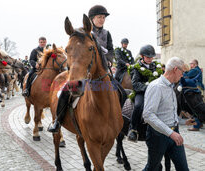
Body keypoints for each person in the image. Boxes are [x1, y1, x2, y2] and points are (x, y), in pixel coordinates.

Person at [47, 5, 127, 133]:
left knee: (121, 92)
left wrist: (109, 61)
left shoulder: (107, 33)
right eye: (99, 17)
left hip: (102, 69)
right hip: (83, 69)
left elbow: (111, 50)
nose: (102, 19)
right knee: (66, 92)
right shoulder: (83, 32)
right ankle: (58, 120)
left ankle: (118, 120)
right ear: (91, 19)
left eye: (103, 17)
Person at [143, 57, 190, 171]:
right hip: (158, 137)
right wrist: (171, 133)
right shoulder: (156, 87)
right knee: (152, 168)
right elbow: (148, 115)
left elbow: (168, 113)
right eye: (182, 72)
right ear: (175, 69)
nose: (182, 75)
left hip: (174, 134)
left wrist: (183, 122)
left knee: (183, 168)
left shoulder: (171, 86)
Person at [127, 44, 163, 142]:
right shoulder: (136, 68)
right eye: (148, 57)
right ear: (142, 56)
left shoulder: (156, 66)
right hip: (141, 92)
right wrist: (149, 88)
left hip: (155, 92)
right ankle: (132, 129)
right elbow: (135, 84)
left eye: (151, 57)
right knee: (138, 106)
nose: (150, 59)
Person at [178, 60, 205, 131]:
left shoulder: (195, 70)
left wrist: (184, 72)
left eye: (191, 64)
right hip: (195, 90)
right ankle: (199, 123)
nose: (190, 65)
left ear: (195, 64)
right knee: (197, 107)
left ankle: (196, 125)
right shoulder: (197, 70)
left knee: (195, 108)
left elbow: (186, 76)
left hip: (194, 90)